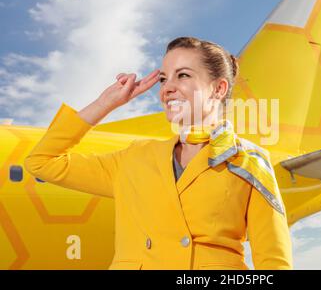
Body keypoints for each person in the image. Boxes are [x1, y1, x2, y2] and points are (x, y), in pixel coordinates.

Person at [24, 36, 293, 270]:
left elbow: (273, 262)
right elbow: (41, 162)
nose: (167, 88)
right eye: (163, 79)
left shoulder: (248, 161)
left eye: (183, 75)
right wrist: (105, 104)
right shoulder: (134, 157)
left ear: (218, 88)